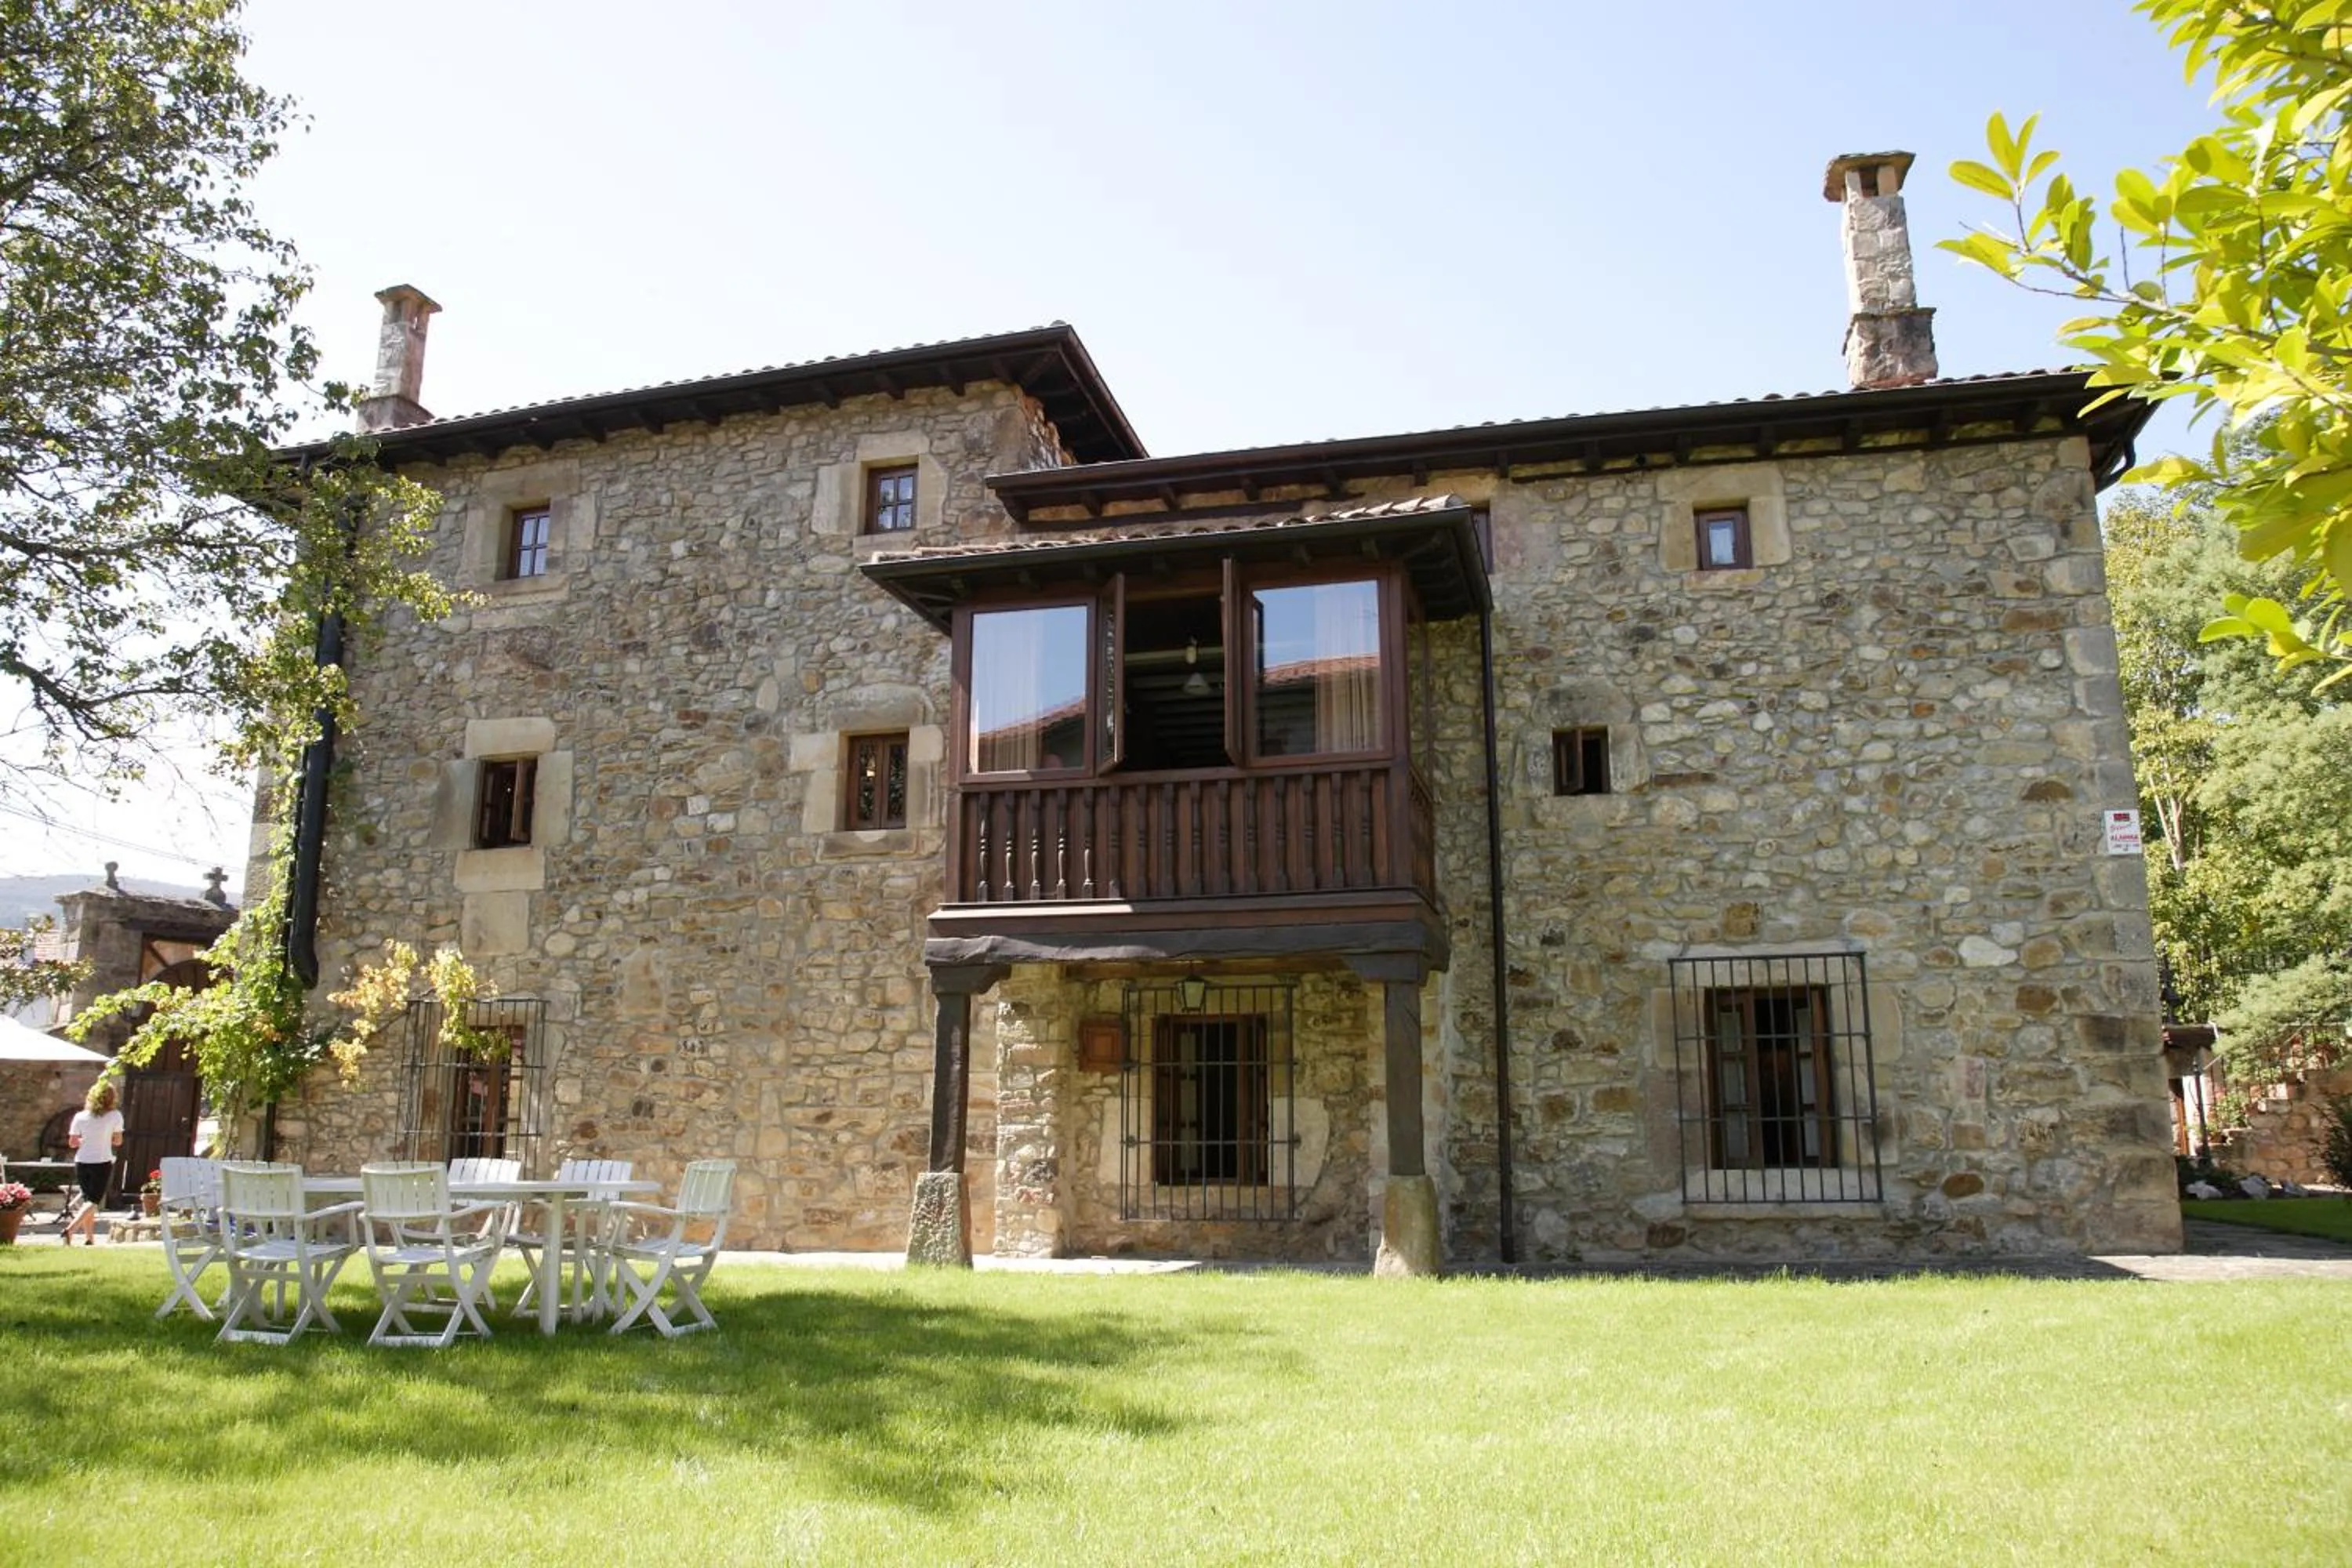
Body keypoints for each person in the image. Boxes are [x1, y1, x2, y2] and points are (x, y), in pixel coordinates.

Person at [64, 1081, 123, 1246]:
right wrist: (105, 1137)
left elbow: (73, 1143)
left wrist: (86, 1139)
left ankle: (89, 1238)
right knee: (93, 1201)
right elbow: (118, 1141)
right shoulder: (115, 1116)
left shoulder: (80, 1116)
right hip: (101, 1161)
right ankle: (70, 1230)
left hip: (82, 1161)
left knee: (88, 1200)